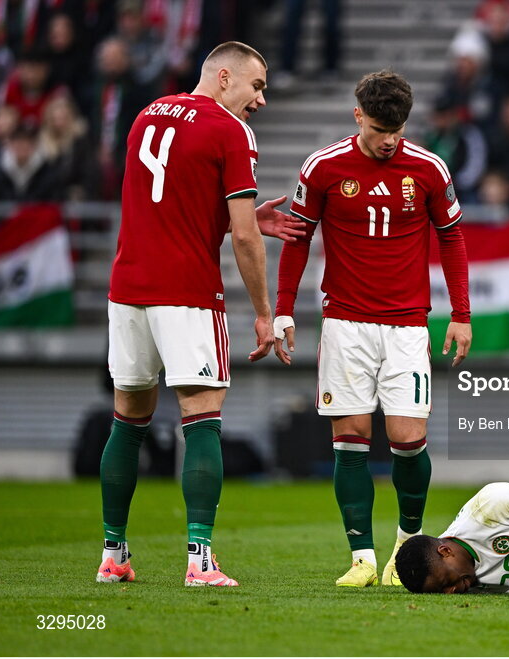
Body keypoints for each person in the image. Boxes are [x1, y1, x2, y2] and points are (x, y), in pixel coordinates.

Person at [99, 41, 305, 588]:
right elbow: (241, 236)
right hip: (186, 291)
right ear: (222, 77)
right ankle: (200, 560)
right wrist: (265, 313)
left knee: (128, 420)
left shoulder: (148, 114)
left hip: (127, 286)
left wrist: (235, 217)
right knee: (203, 418)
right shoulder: (231, 130)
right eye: (256, 85)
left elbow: (168, 205)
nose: (260, 100)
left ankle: (113, 554)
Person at [274, 70, 472, 588]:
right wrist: (282, 310)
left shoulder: (428, 168)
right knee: (351, 437)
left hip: (407, 326)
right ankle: (361, 555)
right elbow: (296, 239)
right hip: (345, 323)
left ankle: (407, 545)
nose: (390, 140)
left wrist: (462, 313)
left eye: (398, 128)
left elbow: (451, 239)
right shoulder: (323, 167)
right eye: (381, 127)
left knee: (408, 438)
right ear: (358, 114)